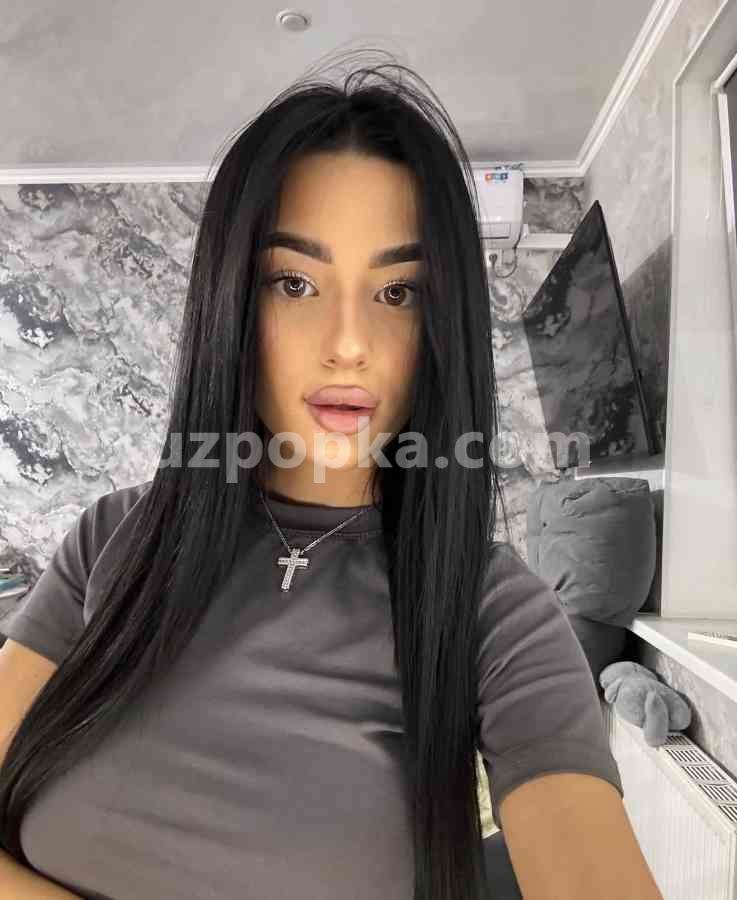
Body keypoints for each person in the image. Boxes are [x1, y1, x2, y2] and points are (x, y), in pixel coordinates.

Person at [0, 50, 664, 900]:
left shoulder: (492, 612)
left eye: (398, 293)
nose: (348, 342)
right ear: (231, 303)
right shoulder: (110, 537)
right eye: (293, 282)